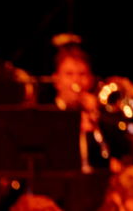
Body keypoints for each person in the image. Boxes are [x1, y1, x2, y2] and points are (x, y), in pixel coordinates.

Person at [51, 44, 125, 174]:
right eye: (69, 74)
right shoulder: (47, 114)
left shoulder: (101, 116)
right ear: (56, 80)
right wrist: (74, 127)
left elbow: (116, 153)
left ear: (91, 79)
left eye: (82, 74)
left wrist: (97, 118)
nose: (76, 81)